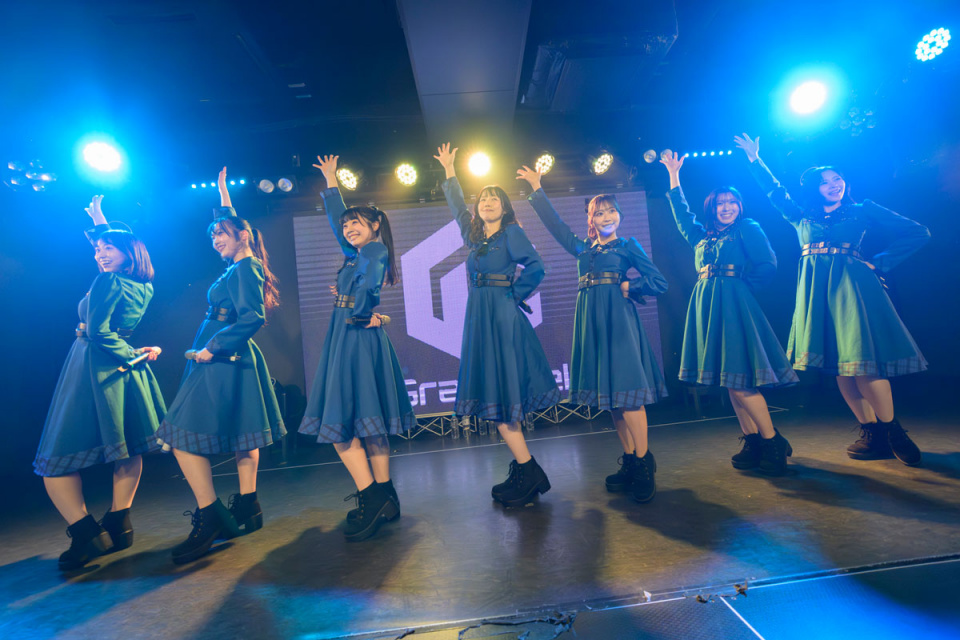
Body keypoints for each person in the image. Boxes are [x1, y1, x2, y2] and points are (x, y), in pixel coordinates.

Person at [735, 134, 929, 466]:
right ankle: (873, 433)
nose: (834, 185)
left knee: (864, 361)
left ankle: (894, 431)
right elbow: (774, 191)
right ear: (815, 188)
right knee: (842, 366)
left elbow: (918, 232)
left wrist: (879, 263)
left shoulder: (861, 210)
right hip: (817, 294)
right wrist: (755, 159)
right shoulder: (800, 215)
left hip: (854, 291)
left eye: (837, 179)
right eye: (825, 182)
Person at [157, 167, 285, 564]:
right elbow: (233, 225)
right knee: (244, 433)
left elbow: (253, 317)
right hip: (227, 355)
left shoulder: (246, 267)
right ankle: (248, 505)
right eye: (212, 236)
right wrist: (223, 196)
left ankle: (210, 514)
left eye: (221, 234)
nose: (215, 241)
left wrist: (212, 347)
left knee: (180, 436)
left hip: (223, 356)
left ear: (242, 235)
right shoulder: (240, 265)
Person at [518, 165, 669, 502]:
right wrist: (536, 189)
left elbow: (659, 282)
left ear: (620, 215)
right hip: (592, 324)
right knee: (613, 401)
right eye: (599, 213)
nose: (606, 217)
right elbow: (556, 226)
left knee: (629, 396)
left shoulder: (628, 246)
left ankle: (645, 462)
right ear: (591, 219)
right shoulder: (583, 249)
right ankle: (630, 459)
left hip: (620, 325)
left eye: (611, 210)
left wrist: (631, 286)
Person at [34, 195, 166, 570]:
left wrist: (129, 354)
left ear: (128, 251)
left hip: (92, 366)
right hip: (124, 370)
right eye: (97, 249)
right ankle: (119, 525)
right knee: (127, 449)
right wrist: (100, 222)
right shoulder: (143, 285)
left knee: (55, 459)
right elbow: (116, 329)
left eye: (108, 248)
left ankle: (87, 534)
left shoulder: (108, 280)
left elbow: (97, 332)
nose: (100, 254)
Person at [434, 143, 561, 508]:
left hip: (501, 317)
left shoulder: (511, 234)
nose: (487, 203)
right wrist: (450, 172)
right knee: (497, 396)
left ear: (504, 208)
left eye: (495, 199)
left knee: (504, 397)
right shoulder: (475, 238)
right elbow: (458, 210)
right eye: (483, 199)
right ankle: (524, 470)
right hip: (479, 316)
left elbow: (536, 266)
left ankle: (529, 472)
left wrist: (513, 295)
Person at [299, 155, 415, 541]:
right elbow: (340, 227)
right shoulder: (358, 253)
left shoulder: (373, 251)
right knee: (370, 422)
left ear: (375, 225)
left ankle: (371, 496)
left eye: (356, 223)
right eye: (346, 224)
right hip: (353, 334)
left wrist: (363, 312)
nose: (348, 228)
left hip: (353, 335)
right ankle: (386, 497)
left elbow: (370, 288)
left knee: (343, 423)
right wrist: (331, 184)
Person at [659, 151, 798, 475]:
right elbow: (682, 215)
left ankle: (773, 441)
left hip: (735, 305)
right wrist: (674, 176)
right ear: (712, 207)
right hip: (707, 306)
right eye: (721, 203)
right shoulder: (703, 235)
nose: (727, 207)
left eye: (732, 202)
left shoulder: (746, 227)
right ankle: (753, 440)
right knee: (729, 380)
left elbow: (767, 264)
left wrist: (741, 289)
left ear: (739, 206)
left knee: (740, 379)